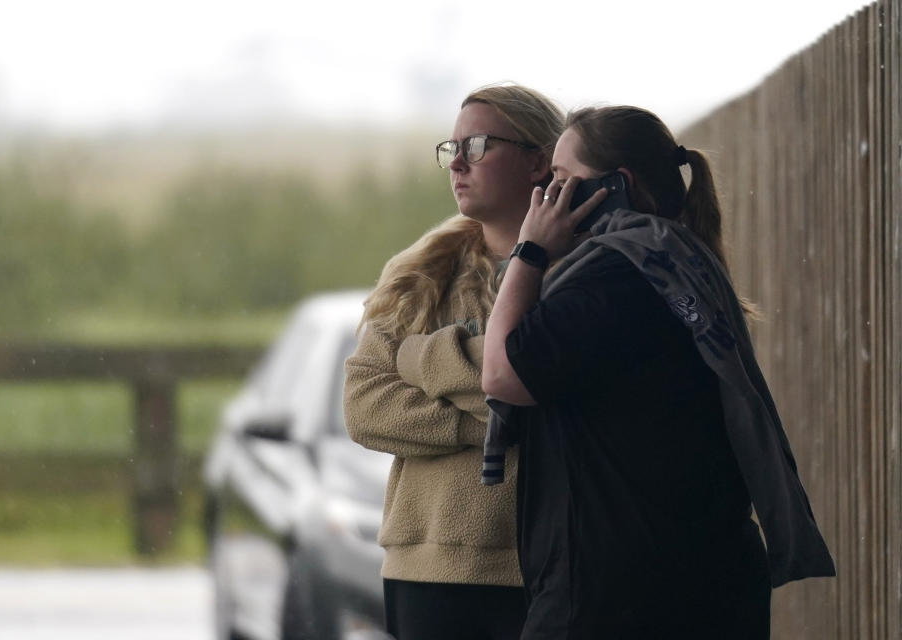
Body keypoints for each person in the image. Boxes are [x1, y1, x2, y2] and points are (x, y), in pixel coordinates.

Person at [482, 105, 835, 639]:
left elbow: (502, 373)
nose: (545, 199)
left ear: (615, 186)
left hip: (619, 598)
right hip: (695, 582)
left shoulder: (616, 274)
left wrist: (529, 251)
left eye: (560, 181)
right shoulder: (671, 259)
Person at [343, 84, 564, 640]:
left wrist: (427, 363)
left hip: (552, 564)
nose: (457, 162)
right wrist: (497, 416)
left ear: (539, 160)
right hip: (428, 565)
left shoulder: (582, 273)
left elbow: (561, 393)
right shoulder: (419, 276)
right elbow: (366, 407)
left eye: (480, 145)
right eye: (452, 147)